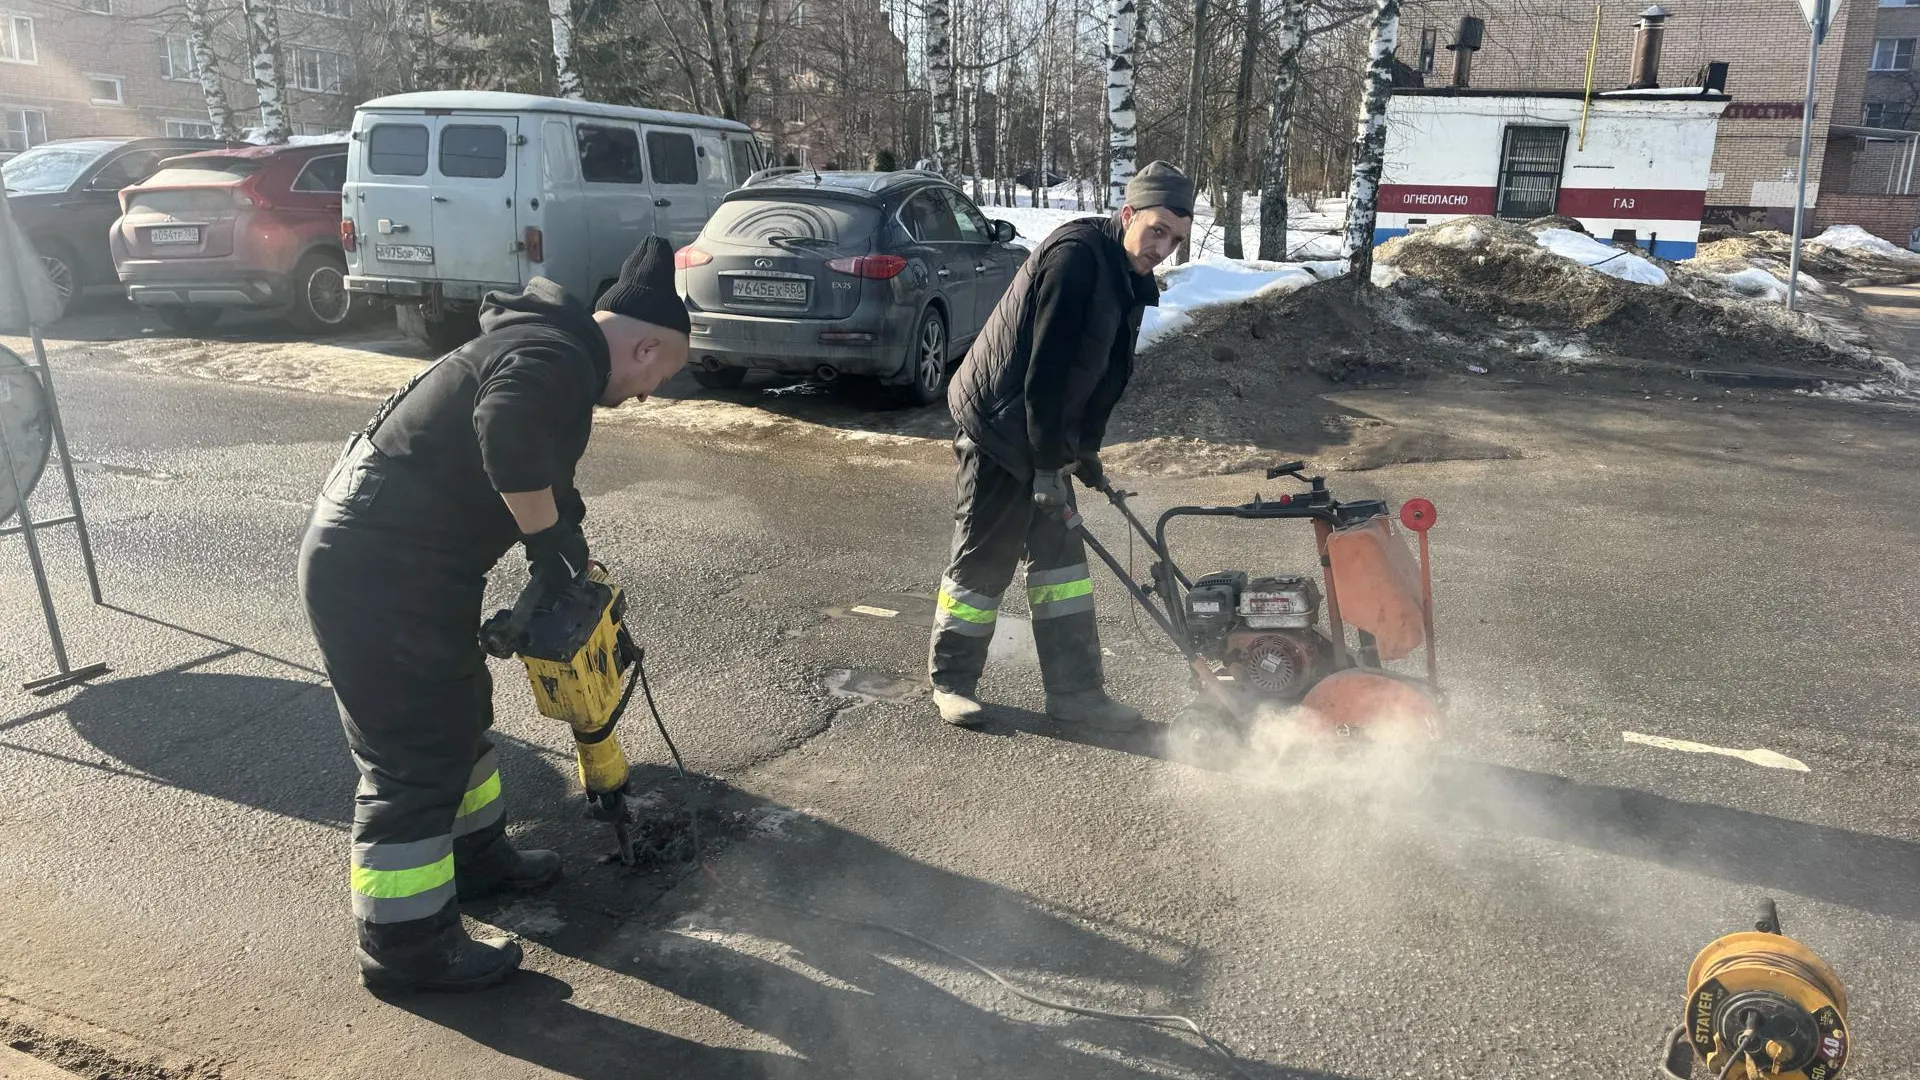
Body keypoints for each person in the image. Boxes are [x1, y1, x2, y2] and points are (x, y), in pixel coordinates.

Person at [298, 238, 690, 993]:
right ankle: (405, 946)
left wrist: (569, 545)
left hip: (405, 566)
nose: (648, 394)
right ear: (645, 347)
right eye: (659, 377)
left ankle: (476, 859)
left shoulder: (548, 347)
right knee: (414, 755)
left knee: (459, 716)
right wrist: (544, 543)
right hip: (377, 572)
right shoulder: (556, 357)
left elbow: (540, 463)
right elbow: (508, 432)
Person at [929, 161, 1194, 731]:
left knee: (1061, 568)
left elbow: (1105, 374)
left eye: (1175, 239)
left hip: (1041, 429)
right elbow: (1044, 372)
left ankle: (1076, 695)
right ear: (1128, 214)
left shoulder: (1128, 275)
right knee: (985, 555)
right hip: (999, 423)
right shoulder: (1075, 258)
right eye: (1157, 231)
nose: (1163, 249)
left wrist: (1083, 450)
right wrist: (1049, 465)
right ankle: (952, 682)